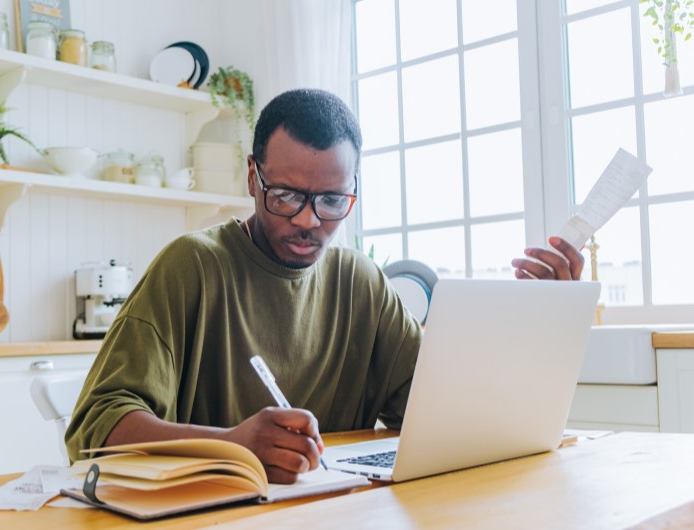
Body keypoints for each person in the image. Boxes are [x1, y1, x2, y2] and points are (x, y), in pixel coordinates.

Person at [65, 88, 584, 484]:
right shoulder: (192, 267)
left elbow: (443, 412)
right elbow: (95, 427)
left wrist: (538, 320)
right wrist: (232, 444)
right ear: (252, 177)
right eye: (287, 195)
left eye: (333, 200)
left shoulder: (361, 282)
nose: (310, 221)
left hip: (339, 510)